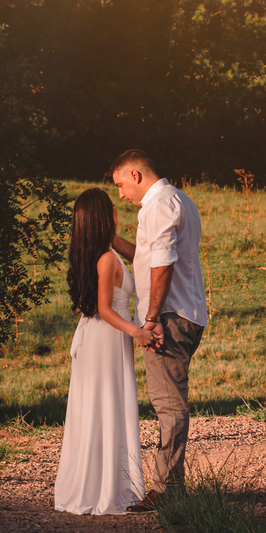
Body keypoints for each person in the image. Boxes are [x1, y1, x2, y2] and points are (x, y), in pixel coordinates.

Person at [109, 150, 207, 513]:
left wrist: (150, 319)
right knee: (170, 400)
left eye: (120, 184)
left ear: (135, 174)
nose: (121, 194)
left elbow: (163, 265)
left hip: (168, 317)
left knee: (169, 403)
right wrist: (113, 241)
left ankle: (167, 491)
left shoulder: (158, 205)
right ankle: (170, 486)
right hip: (183, 312)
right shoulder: (179, 199)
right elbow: (149, 257)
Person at [54, 188, 158, 515]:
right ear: (104, 216)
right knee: (108, 404)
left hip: (99, 338)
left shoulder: (102, 252)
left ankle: (102, 483)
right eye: (112, 208)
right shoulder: (107, 258)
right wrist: (137, 332)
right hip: (107, 336)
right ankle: (107, 488)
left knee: (99, 407)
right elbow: (105, 308)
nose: (118, 210)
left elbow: (141, 256)